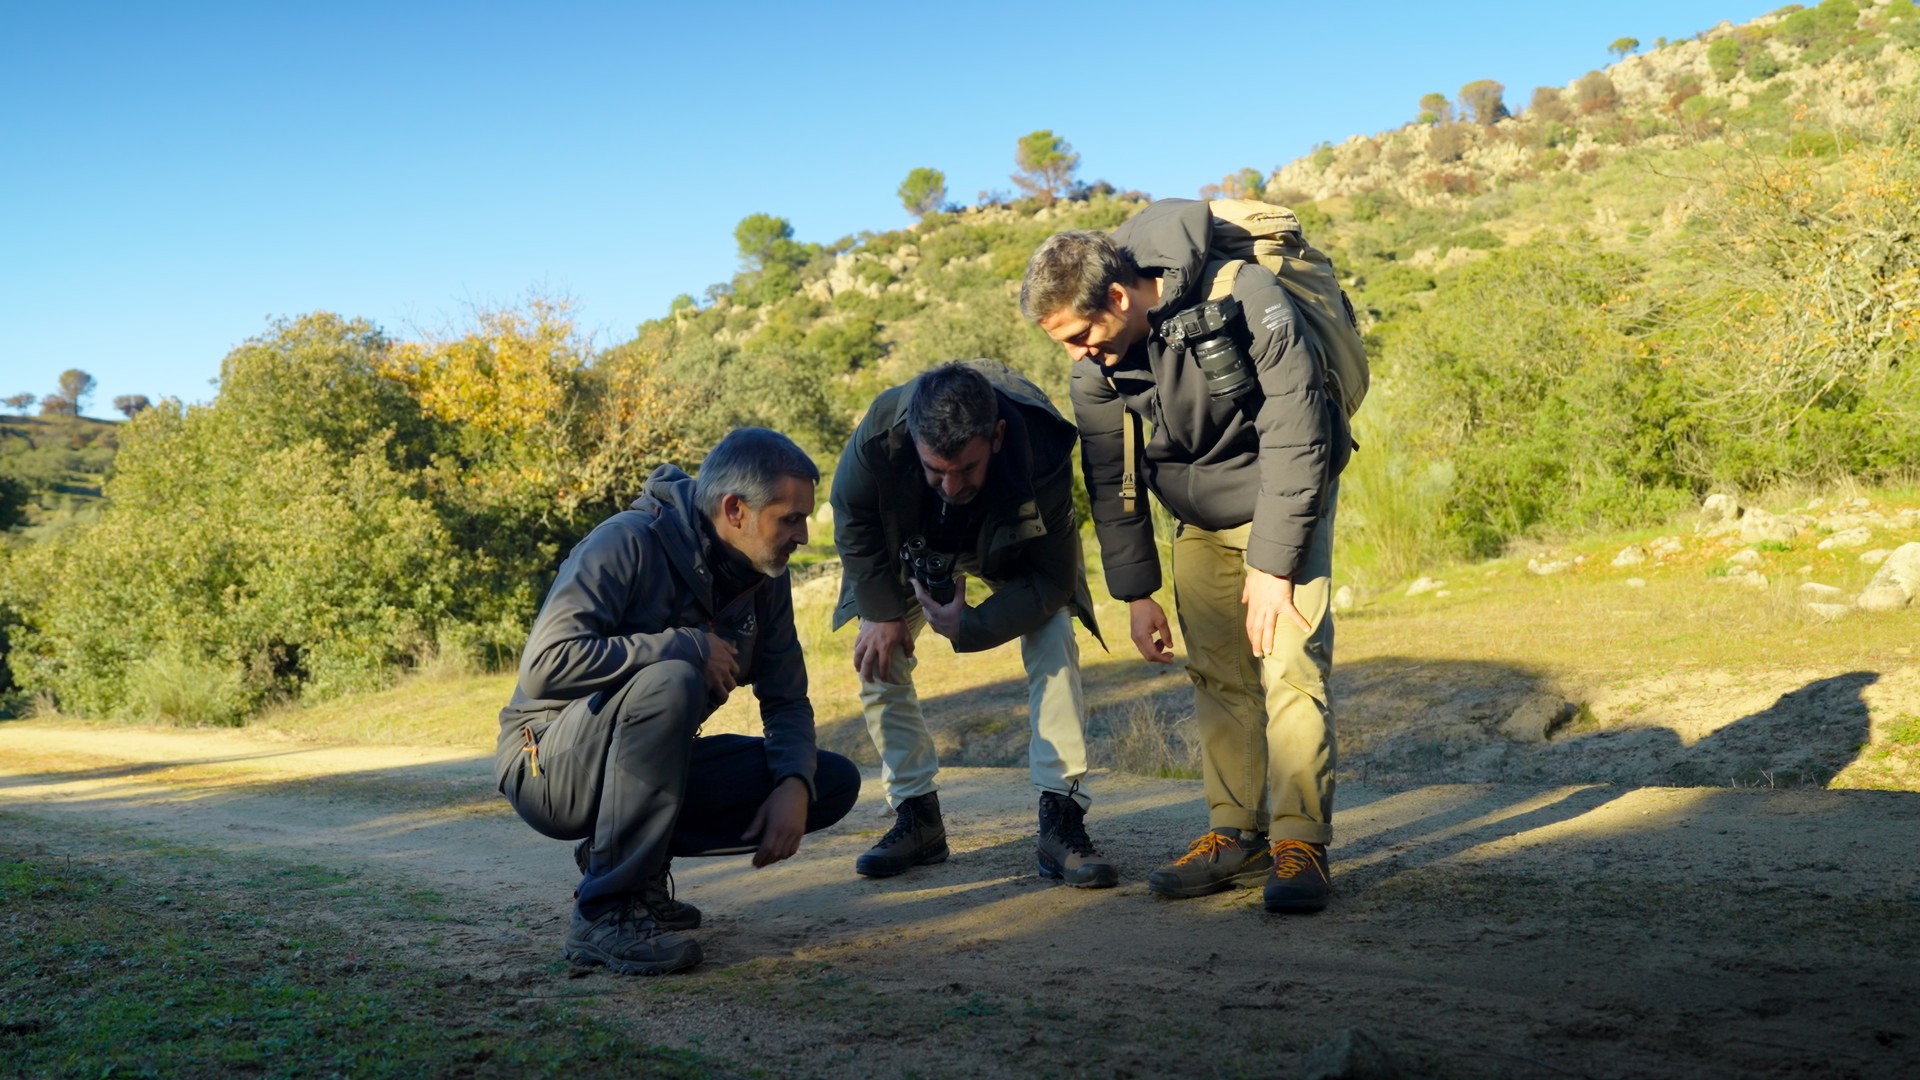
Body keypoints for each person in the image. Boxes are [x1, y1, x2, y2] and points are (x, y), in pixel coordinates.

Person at [1019, 200, 1350, 913]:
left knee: (1290, 666)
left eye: (1080, 335)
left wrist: (1274, 563)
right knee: (1218, 675)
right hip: (1196, 514)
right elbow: (1110, 477)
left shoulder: (1244, 293)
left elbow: (1299, 427)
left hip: (1283, 496)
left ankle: (1301, 844)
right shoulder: (1095, 367)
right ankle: (1235, 833)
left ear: (1118, 296)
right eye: (1062, 343)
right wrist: (1137, 593)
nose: (1076, 354)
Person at [495, 428, 861, 975]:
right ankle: (605, 911)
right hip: (547, 766)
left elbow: (786, 698)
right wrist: (683, 644)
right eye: (790, 519)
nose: (804, 535)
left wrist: (792, 783)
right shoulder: (626, 542)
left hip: (636, 766)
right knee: (673, 678)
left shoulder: (764, 576)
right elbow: (546, 665)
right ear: (735, 509)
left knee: (828, 781)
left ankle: (627, 863)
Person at [830, 360, 1115, 887]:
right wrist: (881, 612)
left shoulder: (1042, 445)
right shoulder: (878, 436)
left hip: (1010, 548)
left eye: (966, 468)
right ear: (915, 441)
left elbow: (1052, 579)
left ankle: (1062, 815)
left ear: (997, 436)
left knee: (1054, 631)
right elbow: (852, 518)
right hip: (907, 548)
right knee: (877, 652)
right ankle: (917, 815)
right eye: (935, 469)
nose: (950, 484)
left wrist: (970, 626)